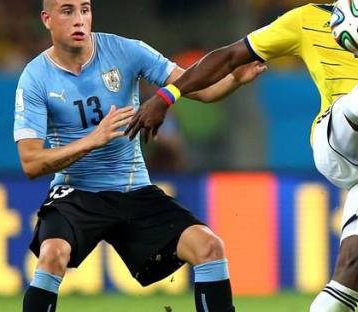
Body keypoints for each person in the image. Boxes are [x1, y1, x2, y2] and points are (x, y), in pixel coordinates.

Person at [126, 2, 358, 311]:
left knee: (352, 274)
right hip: (338, 136)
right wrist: (167, 95)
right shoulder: (306, 18)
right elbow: (230, 57)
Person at [14, 1, 263, 311]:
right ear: (47, 19)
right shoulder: (35, 77)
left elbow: (199, 89)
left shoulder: (126, 51)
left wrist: (234, 80)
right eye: (68, 11)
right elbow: (31, 162)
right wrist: (92, 141)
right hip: (76, 192)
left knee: (209, 246)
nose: (79, 20)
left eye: (85, 10)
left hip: (133, 190)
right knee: (53, 254)